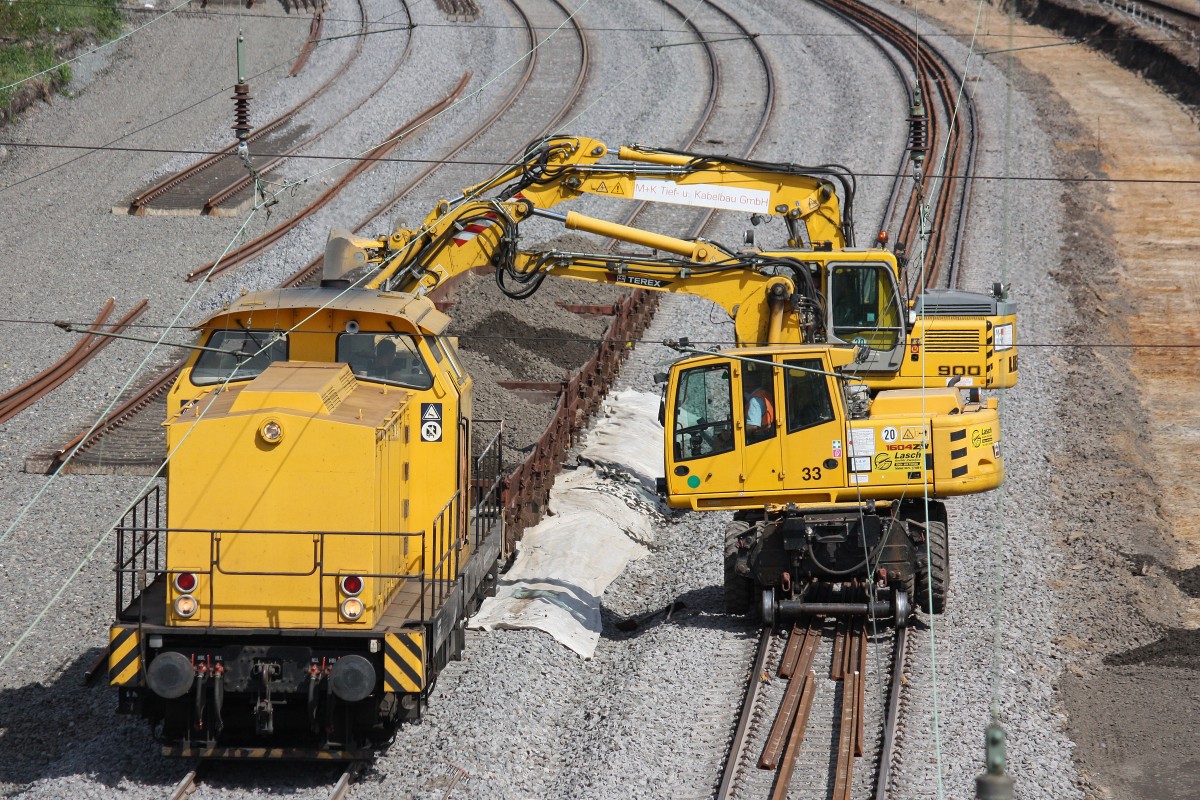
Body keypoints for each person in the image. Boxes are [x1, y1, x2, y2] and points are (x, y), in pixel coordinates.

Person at [744, 365, 775, 445]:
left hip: (759, 439)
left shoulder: (755, 401)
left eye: (744, 382)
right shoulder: (765, 393)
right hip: (770, 434)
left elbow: (752, 426)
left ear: (750, 384)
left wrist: (734, 433)